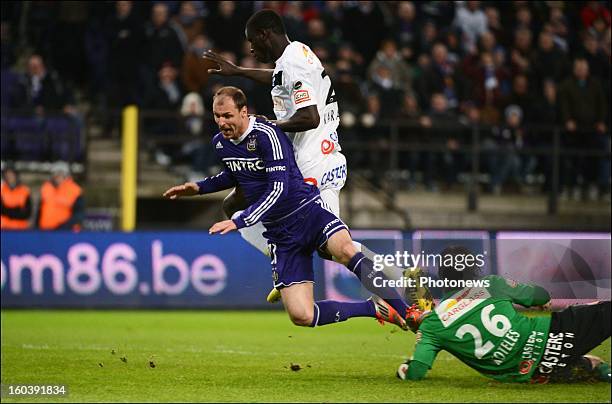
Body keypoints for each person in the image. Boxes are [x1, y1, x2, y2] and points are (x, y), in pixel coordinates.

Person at [203, 9, 430, 308]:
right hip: (310, 160)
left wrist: (267, 126)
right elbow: (280, 78)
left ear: (265, 34)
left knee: (335, 247)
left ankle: (406, 284)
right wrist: (240, 71)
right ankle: (279, 256)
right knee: (233, 204)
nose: (251, 49)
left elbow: (309, 116)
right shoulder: (295, 56)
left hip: (316, 165)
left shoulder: (294, 61)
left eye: (252, 42)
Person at [163, 86, 411, 330]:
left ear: (243, 112)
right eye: (217, 116)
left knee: (346, 249)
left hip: (307, 212)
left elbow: (278, 189)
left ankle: (410, 312)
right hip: (281, 235)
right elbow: (233, 174)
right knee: (302, 315)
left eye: (227, 115)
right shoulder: (221, 143)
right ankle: (373, 308)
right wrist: (198, 187)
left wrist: (240, 221)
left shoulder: (266, 135)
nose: (221, 122)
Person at [396, 246, 611, 384]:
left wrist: (405, 368)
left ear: (443, 277)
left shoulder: (433, 323)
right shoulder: (491, 284)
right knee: (604, 313)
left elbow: (417, 370)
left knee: (588, 366)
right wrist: (541, 302)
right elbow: (541, 295)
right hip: (550, 338)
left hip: (522, 374)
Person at [36, 162, 84, 231]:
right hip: (44, 232)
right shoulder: (45, 188)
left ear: (67, 175)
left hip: (64, 232)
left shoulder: (75, 190)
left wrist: (64, 226)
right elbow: (39, 211)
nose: (58, 177)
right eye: (56, 174)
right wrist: (36, 227)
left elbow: (79, 214)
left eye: (61, 174)